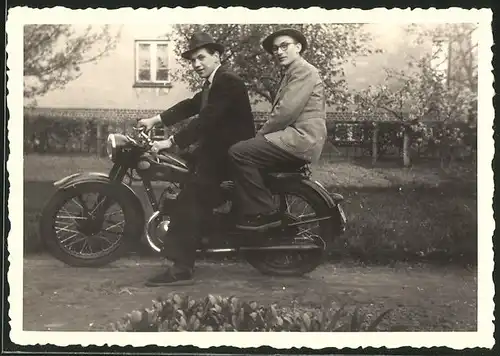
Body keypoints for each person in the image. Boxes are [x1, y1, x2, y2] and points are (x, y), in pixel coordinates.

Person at [137, 32, 255, 286]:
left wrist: (171, 142)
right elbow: (192, 105)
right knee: (182, 175)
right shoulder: (213, 82)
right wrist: (155, 120)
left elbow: (207, 118)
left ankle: (181, 268)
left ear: (217, 56)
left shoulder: (228, 81)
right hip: (217, 150)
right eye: (192, 60)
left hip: (229, 155)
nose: (197, 64)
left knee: (190, 198)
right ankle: (198, 235)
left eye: (201, 57)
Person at [228, 28, 327, 231]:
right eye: (275, 49)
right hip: (297, 138)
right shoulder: (291, 73)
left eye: (284, 46)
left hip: (300, 138)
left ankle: (265, 214)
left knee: (238, 152)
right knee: (248, 156)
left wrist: (260, 135)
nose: (279, 52)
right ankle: (246, 212)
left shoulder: (303, 70)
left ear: (298, 47)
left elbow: (286, 112)